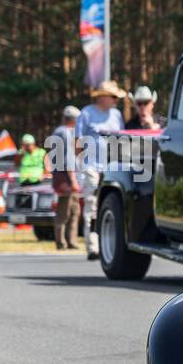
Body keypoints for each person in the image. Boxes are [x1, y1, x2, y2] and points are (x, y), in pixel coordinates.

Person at [74, 80, 126, 260]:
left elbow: (123, 141)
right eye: (112, 97)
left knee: (110, 205)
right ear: (102, 97)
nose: (115, 100)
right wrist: (81, 166)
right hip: (92, 167)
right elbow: (78, 142)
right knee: (92, 206)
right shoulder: (86, 114)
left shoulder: (116, 115)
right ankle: (93, 246)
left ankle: (108, 243)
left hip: (112, 168)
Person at [46, 106, 81, 250]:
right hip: (65, 176)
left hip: (61, 175)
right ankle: (62, 242)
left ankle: (71, 241)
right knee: (64, 211)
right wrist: (73, 179)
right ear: (71, 119)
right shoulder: (65, 133)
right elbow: (67, 159)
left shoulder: (58, 132)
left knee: (74, 210)